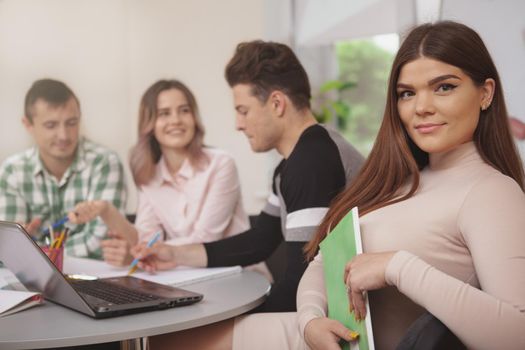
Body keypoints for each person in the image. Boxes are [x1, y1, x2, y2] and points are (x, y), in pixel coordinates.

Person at [218, 21, 525, 350]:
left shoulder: (492, 191)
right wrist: (309, 319)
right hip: (320, 336)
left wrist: (398, 267)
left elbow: (517, 333)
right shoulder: (394, 181)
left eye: (444, 87)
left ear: (485, 93)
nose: (421, 107)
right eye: (407, 93)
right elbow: (322, 262)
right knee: (168, 338)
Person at [132, 39, 364, 328]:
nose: (238, 124)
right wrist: (174, 254)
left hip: (341, 322)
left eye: (243, 110)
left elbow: (300, 279)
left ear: (277, 103)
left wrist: (242, 322)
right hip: (320, 311)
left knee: (184, 339)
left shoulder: (311, 161)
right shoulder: (290, 165)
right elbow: (258, 243)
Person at [67, 79, 249, 267]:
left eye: (184, 110)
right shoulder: (149, 176)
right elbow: (146, 236)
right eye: (164, 113)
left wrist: (141, 253)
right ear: (150, 123)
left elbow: (205, 239)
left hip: (240, 277)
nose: (176, 120)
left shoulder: (221, 164)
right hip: (193, 277)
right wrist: (107, 211)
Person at [0, 79, 127, 259]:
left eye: (71, 123)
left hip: (93, 279)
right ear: (28, 124)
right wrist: (24, 248)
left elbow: (102, 243)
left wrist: (36, 252)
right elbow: (8, 250)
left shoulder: (105, 162)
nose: (64, 135)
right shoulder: (12, 171)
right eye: (51, 125)